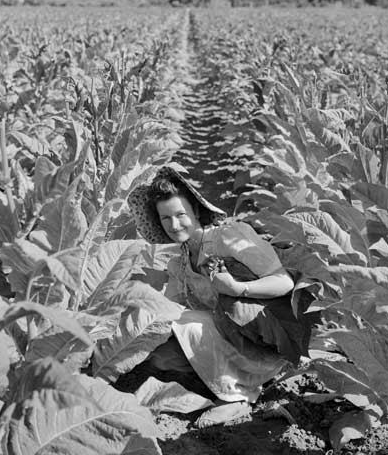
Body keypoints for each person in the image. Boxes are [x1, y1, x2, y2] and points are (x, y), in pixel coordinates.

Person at [128, 166, 312, 425]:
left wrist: (238, 288)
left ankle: (236, 398)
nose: (174, 224)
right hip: (224, 338)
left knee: (186, 324)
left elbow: (283, 282)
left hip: (260, 340)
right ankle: (219, 381)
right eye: (166, 218)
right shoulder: (179, 263)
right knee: (161, 355)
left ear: (196, 211)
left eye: (181, 214)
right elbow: (167, 308)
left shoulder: (229, 236)